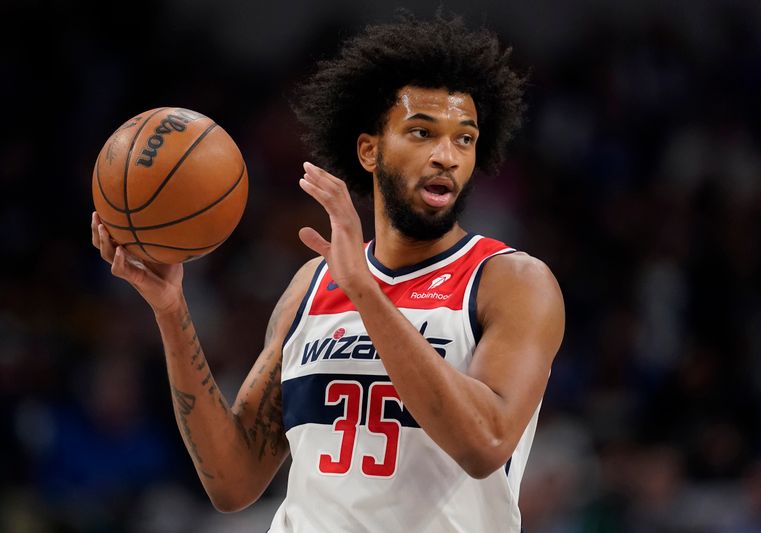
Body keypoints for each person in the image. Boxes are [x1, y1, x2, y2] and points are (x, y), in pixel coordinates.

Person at [90, 13, 565, 532]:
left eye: (465, 139)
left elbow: (485, 444)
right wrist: (171, 309)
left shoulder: (511, 282)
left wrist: (365, 292)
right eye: (422, 132)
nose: (446, 156)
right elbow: (232, 481)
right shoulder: (311, 287)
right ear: (369, 149)